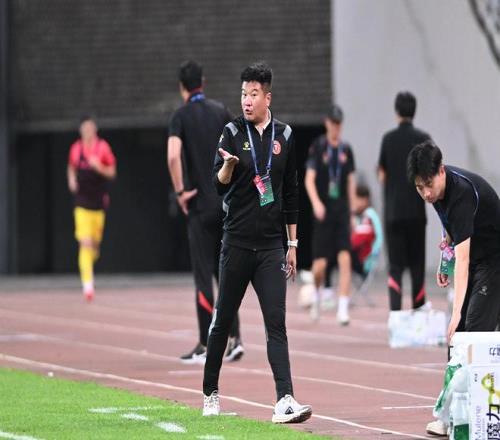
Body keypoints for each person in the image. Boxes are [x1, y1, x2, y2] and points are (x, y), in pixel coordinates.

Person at [202, 62, 312, 423]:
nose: (246, 101)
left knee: (276, 323)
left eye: (253, 94)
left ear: (268, 97)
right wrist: (228, 167)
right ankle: (210, 393)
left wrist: (292, 244)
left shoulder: (286, 135)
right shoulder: (232, 132)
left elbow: (291, 192)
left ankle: (285, 399)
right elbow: (217, 185)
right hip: (236, 243)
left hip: (270, 248)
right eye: (243, 94)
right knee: (222, 321)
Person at [407, 140, 500, 436]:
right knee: (457, 338)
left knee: (472, 331)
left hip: (493, 260)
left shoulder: (461, 194)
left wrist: (456, 311)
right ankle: (451, 417)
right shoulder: (437, 194)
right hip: (477, 259)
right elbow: (451, 234)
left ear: (441, 171)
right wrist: (443, 263)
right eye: (419, 187)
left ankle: (477, 415)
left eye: (428, 185)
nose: (426, 193)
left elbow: (464, 258)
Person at [167, 60, 244, 364]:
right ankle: (235, 339)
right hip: (225, 203)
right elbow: (240, 147)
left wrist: (180, 192)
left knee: (203, 274)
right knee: (225, 274)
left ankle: (205, 343)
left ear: (182, 87)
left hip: (199, 206)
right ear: (203, 81)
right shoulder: (220, 111)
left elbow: (173, 156)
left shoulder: (180, 116)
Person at [378, 91, 431, 311]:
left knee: (396, 266)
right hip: (417, 212)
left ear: (397, 111)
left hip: (393, 213)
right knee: (417, 265)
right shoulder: (424, 139)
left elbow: (382, 175)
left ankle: (396, 315)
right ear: (414, 111)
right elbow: (430, 173)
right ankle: (418, 311)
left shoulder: (388, 139)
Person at [304, 105, 356, 324]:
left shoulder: (346, 150)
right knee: (320, 266)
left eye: (339, 124)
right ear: (327, 123)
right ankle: (316, 295)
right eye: (333, 123)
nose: (336, 127)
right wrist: (316, 203)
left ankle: (343, 309)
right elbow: (309, 179)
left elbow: (351, 181)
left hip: (341, 210)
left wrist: (352, 212)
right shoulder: (318, 147)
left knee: (345, 258)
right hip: (323, 211)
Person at [67, 116, 116, 302]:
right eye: (84, 129)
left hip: (98, 204)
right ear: (81, 131)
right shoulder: (76, 149)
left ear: (95, 130)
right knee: (84, 243)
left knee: (94, 247)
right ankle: (88, 285)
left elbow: (112, 172)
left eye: (90, 128)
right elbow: (71, 167)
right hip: (81, 203)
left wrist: (99, 167)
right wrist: (71, 179)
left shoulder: (102, 148)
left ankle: (91, 258)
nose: (87, 132)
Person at [350, 184, 383, 280]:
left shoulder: (370, 215)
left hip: (365, 259)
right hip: (359, 256)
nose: (355, 203)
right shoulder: (357, 215)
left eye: (357, 200)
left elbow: (378, 237)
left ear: (365, 200)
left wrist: (373, 254)